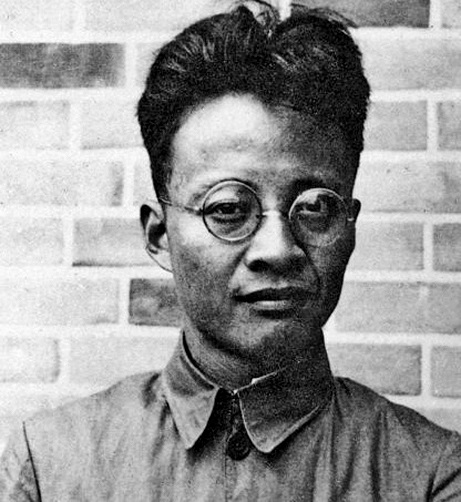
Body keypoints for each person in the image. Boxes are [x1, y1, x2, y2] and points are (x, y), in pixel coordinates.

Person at [1, 1, 461, 500]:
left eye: (314, 207)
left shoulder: (429, 475)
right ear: (159, 235)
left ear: (349, 226)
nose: (277, 250)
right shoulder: (51, 464)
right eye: (228, 209)